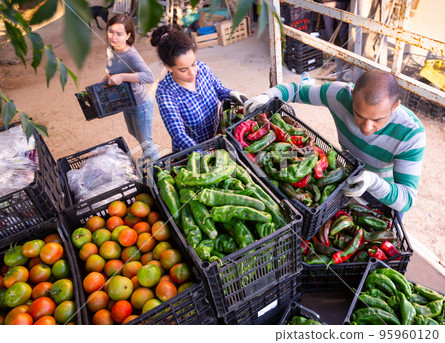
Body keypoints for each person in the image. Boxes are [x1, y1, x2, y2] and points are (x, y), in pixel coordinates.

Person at [244, 70, 426, 213]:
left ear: (395, 106)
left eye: (378, 120)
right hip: (345, 177)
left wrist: (373, 181)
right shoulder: (339, 94)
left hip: (384, 195)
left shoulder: (411, 134)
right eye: (359, 115)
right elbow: (295, 91)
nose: (367, 127)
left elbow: (407, 200)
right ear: (353, 94)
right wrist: (267, 96)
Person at [150, 25, 248, 152]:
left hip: (217, 139)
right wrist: (203, 154)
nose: (192, 73)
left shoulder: (202, 68)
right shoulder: (165, 93)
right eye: (183, 69)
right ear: (168, 67)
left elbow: (219, 90)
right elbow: (179, 135)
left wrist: (231, 93)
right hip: (191, 153)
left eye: (193, 64)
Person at [103, 14, 160, 160]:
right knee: (133, 132)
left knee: (147, 142)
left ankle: (160, 169)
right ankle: (147, 152)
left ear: (128, 35)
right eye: (111, 31)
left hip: (141, 105)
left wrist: (122, 77)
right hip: (127, 103)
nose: (113, 37)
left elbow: (149, 77)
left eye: (119, 34)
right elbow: (111, 70)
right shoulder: (112, 49)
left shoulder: (131, 55)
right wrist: (101, 84)